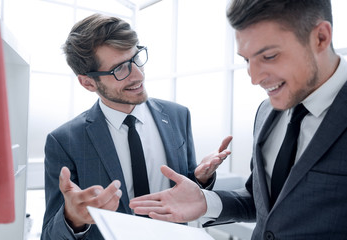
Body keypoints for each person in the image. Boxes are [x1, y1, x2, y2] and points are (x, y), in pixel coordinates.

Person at [130, 0, 347, 239]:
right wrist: (205, 201)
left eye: (269, 56)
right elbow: (265, 205)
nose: (254, 78)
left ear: (321, 37)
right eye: (246, 60)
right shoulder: (266, 112)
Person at [41, 14, 232, 240]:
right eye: (120, 69)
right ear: (88, 82)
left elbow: (186, 192)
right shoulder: (65, 141)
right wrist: (72, 218)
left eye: (136, 58)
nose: (139, 75)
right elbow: (50, 235)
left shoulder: (178, 115)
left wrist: (200, 180)